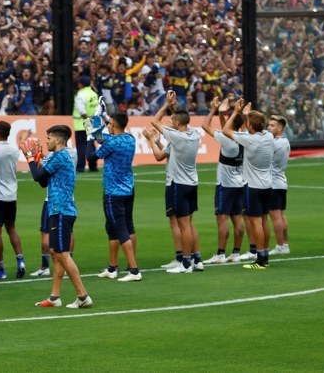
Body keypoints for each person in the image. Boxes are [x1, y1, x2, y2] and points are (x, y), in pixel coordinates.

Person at [26, 125, 93, 309]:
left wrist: (30, 158)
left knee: (62, 254)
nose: (46, 141)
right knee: (56, 253)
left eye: (49, 138)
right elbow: (43, 181)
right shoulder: (58, 156)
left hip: (62, 210)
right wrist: (37, 161)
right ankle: (55, 297)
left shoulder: (60, 156)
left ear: (57, 140)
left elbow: (36, 176)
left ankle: (83, 296)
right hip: (58, 210)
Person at [144, 90, 203, 274]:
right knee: (189, 224)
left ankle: (185, 263)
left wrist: (166, 105)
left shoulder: (176, 136)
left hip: (178, 184)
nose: (170, 120)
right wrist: (174, 106)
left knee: (182, 225)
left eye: (172, 119)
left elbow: (155, 121)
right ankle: (196, 260)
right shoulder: (194, 134)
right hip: (192, 183)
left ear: (177, 123)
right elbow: (164, 153)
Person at [221, 99, 275, 269]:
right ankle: (265, 255)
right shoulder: (269, 136)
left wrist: (236, 112)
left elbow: (225, 130)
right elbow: (253, 128)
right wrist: (248, 116)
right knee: (264, 221)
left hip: (253, 187)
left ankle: (260, 260)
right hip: (267, 185)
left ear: (251, 126)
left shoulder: (249, 140)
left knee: (255, 222)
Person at [94, 112, 142, 282]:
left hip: (113, 193)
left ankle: (134, 270)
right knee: (123, 227)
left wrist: (92, 135)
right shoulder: (130, 138)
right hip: (128, 189)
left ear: (114, 124)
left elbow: (91, 157)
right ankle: (113, 267)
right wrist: (103, 124)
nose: (108, 124)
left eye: (110, 123)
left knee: (120, 230)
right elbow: (108, 138)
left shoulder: (112, 143)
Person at [200, 97, 247, 264]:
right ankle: (236, 253)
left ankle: (220, 254)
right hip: (240, 182)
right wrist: (225, 114)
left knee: (222, 218)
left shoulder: (227, 140)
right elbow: (227, 128)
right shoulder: (245, 136)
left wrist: (213, 109)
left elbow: (205, 126)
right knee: (238, 218)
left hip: (225, 184)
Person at [0, 121, 26, 281]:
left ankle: (0, 269)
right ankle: (20, 260)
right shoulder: (14, 150)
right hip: (11, 195)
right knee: (12, 229)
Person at [267, 114, 291, 255]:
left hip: (273, 184)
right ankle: (285, 244)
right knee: (281, 215)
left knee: (275, 216)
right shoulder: (285, 141)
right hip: (281, 182)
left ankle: (280, 246)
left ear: (280, 128)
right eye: (269, 125)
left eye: (272, 125)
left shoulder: (275, 143)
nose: (269, 128)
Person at [72, 74, 99, 173]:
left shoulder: (81, 94)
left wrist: (87, 121)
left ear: (81, 84)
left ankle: (80, 167)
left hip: (82, 123)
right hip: (93, 121)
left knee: (81, 146)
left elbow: (81, 110)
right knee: (91, 145)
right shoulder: (94, 94)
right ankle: (93, 166)